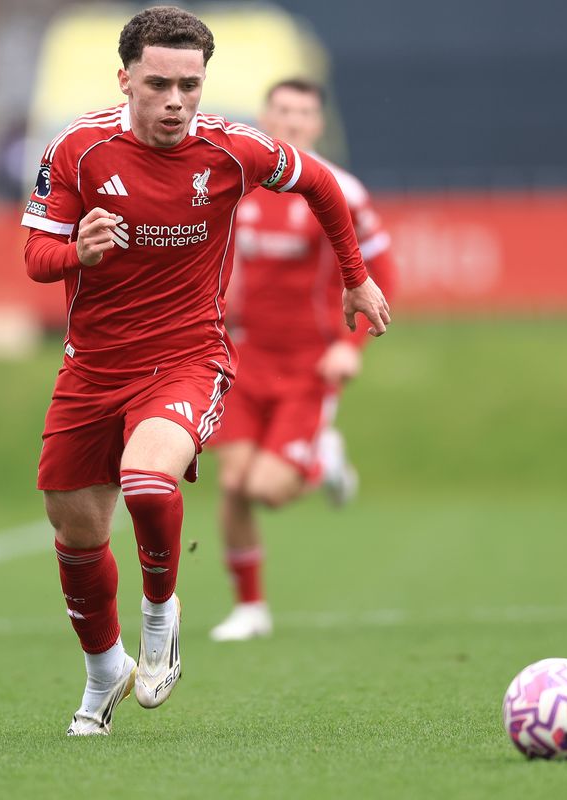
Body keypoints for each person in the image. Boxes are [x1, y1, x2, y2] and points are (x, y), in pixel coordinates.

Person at [19, 6, 390, 736]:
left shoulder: (232, 149)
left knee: (146, 480)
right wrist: (77, 253)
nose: (175, 101)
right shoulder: (76, 150)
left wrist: (354, 278)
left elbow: (321, 184)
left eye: (189, 85)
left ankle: (161, 614)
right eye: (158, 84)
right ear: (125, 80)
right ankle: (104, 670)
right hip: (92, 368)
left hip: (189, 359)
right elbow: (35, 258)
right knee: (77, 532)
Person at [208, 79, 397, 642]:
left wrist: (350, 345)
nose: (291, 121)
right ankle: (251, 609)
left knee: (267, 490)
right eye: (282, 110)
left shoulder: (340, 190)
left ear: (318, 123)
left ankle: (323, 460)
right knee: (233, 485)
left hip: (308, 365)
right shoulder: (237, 183)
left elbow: (381, 272)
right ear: (265, 116)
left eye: (303, 113)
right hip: (241, 359)